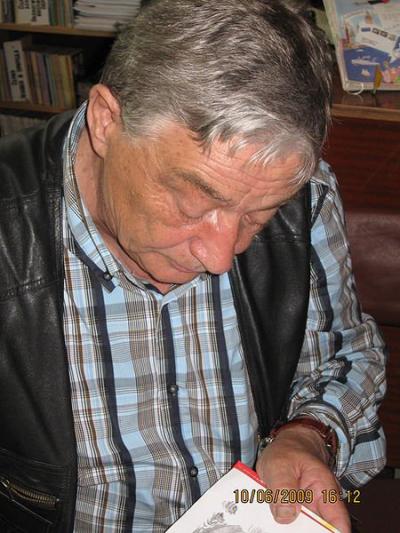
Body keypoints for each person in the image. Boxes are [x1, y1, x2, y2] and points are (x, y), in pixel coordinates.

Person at [0, 1, 386, 532]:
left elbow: (345, 352)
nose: (220, 257)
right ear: (107, 121)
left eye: (257, 217)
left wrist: (308, 433)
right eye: (191, 203)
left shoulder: (302, 192)